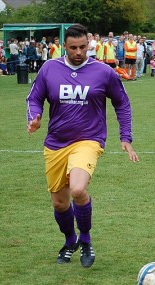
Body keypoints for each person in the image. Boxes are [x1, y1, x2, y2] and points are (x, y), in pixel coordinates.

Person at [26, 24, 139, 268]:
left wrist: (125, 137)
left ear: (89, 45)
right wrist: (34, 117)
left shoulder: (103, 72)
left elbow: (122, 103)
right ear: (64, 47)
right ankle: (70, 241)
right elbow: (34, 98)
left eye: (83, 47)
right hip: (56, 142)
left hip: (89, 139)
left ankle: (86, 239)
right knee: (59, 202)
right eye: (73, 48)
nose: (79, 52)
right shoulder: (49, 69)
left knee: (78, 190)